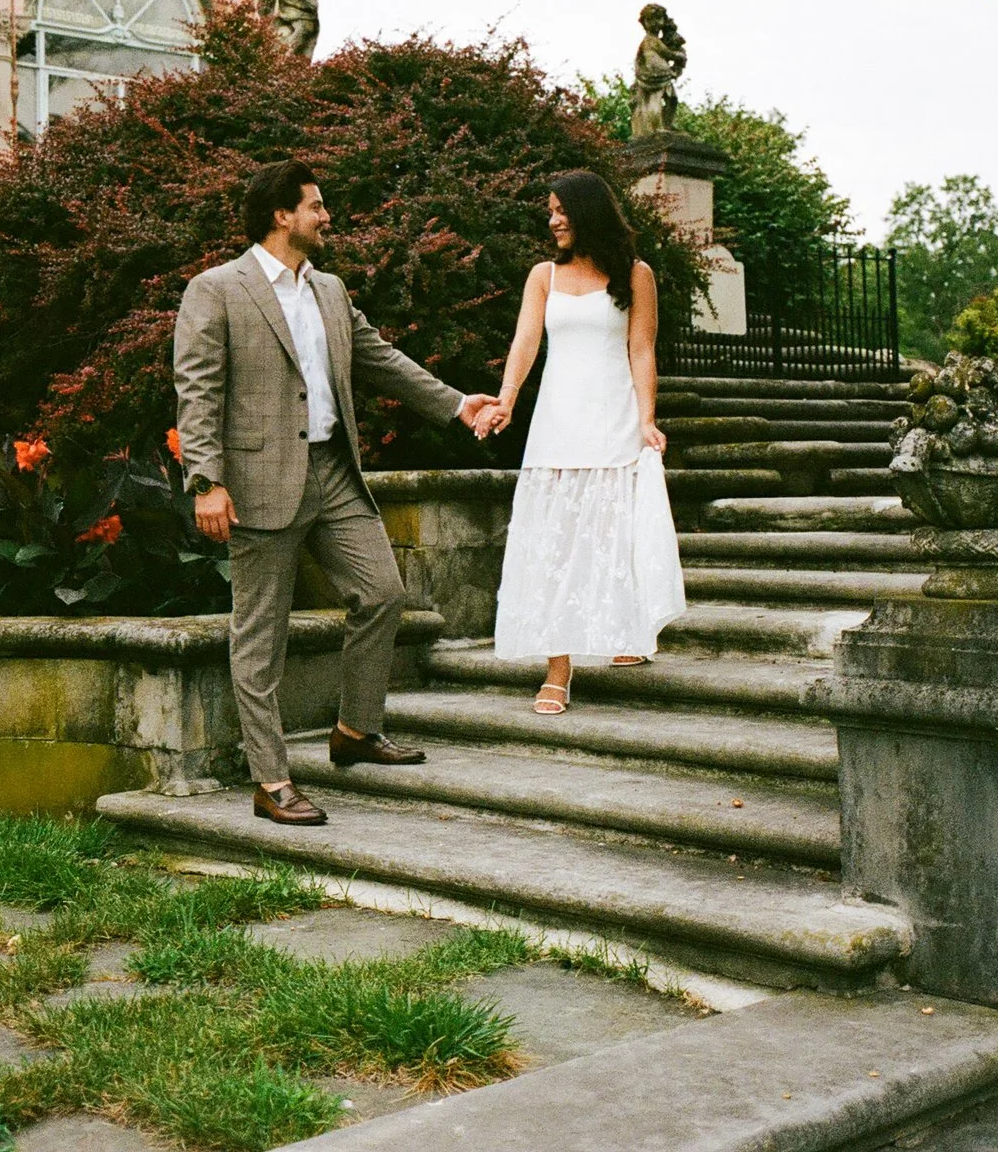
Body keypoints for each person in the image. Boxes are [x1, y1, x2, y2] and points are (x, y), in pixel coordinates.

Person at [173, 159, 499, 826]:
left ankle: (355, 728)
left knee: (382, 592)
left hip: (334, 472)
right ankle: (271, 779)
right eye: (316, 206)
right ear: (281, 215)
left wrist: (458, 405)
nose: (327, 216)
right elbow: (198, 389)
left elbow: (378, 356)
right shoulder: (217, 290)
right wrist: (206, 481)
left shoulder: (329, 289)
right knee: (259, 635)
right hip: (260, 480)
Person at [475, 170, 686, 713]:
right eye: (550, 211)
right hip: (556, 422)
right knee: (555, 539)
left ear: (588, 212)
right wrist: (507, 399)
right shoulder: (543, 275)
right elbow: (525, 342)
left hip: (613, 417)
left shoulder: (636, 275)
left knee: (612, 532)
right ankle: (557, 668)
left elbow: (642, 350)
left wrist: (647, 419)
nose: (553, 221)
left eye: (561, 211)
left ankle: (622, 630)